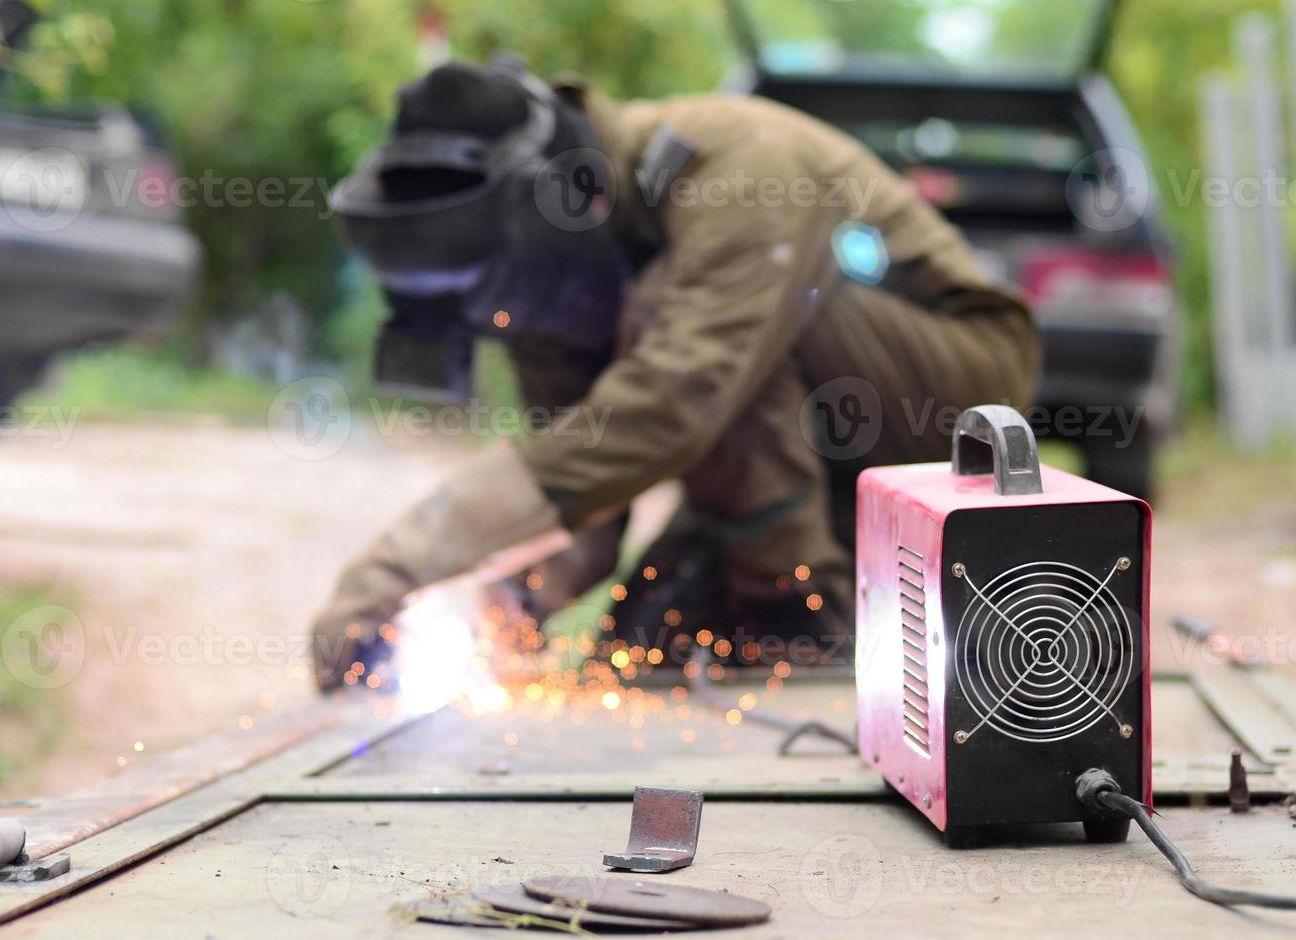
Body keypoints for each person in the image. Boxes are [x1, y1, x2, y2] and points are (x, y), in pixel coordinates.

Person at [312, 57, 1039, 690]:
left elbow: (671, 403)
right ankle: (781, 580)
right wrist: (519, 599)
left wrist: (396, 567)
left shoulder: (737, 161)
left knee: (681, 317)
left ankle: (802, 616)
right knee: (632, 657)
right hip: (805, 441)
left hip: (948, 403)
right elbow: (584, 476)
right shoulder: (567, 279)